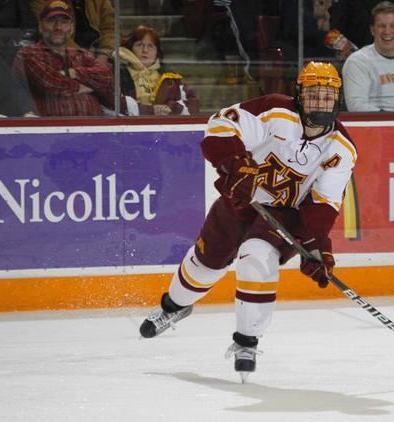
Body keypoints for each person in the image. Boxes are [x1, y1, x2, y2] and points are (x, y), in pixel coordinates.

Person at [138, 61, 357, 382]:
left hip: (284, 215)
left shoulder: (342, 149)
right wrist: (234, 165)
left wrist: (318, 247)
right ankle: (174, 307)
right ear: (300, 94)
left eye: (327, 96)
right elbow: (220, 125)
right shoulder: (276, 111)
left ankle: (247, 342)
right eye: (313, 94)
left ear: (337, 100)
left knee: (257, 256)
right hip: (241, 200)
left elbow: (323, 204)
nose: (320, 102)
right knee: (205, 263)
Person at [13, 0, 114, 116]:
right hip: (50, 130)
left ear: (71, 29)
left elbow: (107, 78)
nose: (58, 27)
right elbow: (50, 83)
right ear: (40, 26)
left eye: (64, 22)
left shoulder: (82, 54)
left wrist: (73, 73)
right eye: (51, 21)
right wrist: (91, 87)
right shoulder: (29, 53)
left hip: (95, 127)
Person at [117, 25, 200, 116]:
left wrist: (170, 108)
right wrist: (150, 110)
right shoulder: (119, 74)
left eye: (150, 46)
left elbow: (193, 104)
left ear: (157, 52)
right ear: (130, 48)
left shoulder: (170, 77)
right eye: (139, 45)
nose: (145, 50)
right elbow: (116, 105)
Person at [29, 0, 115, 67]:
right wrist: (86, 60)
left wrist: (103, 56)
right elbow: (55, 35)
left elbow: (110, 28)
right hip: (60, 57)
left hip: (98, 55)